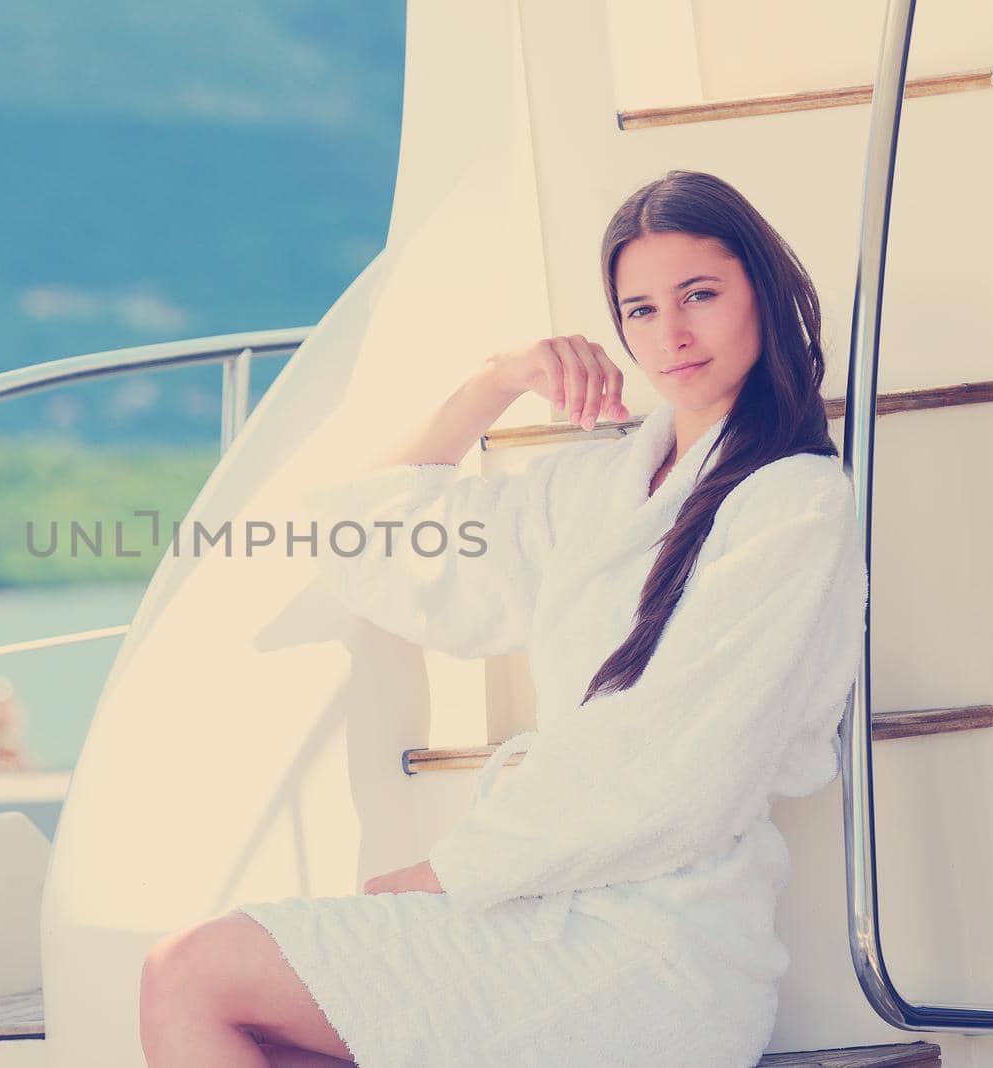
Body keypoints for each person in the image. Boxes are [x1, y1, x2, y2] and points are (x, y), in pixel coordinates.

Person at [137, 169, 870, 1067]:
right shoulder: (595, 488)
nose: (670, 334)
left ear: (760, 290)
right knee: (251, 1018)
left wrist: (448, 875)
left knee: (191, 974)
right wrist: (495, 384)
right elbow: (367, 536)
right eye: (639, 310)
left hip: (659, 949)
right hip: (545, 912)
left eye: (700, 295)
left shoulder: (795, 502)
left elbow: (683, 769)